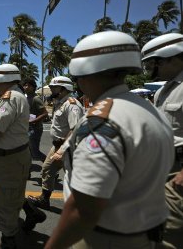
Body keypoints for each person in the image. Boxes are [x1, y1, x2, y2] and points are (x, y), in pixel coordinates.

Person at [45, 31, 174, 248]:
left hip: (105, 237)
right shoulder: (147, 109)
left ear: (83, 73)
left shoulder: (102, 122)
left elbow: (83, 208)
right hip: (143, 232)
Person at [0, 64, 46, 249]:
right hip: (13, 156)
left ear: (2, 80)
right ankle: (32, 213)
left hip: (6, 159)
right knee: (12, 194)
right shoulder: (13, 96)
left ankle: (8, 241)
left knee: (5, 201)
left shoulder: (11, 98)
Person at [142, 33, 183, 249]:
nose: (150, 69)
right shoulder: (163, 91)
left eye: (152, 63)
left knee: (170, 236)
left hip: (180, 173)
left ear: (169, 57)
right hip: (162, 170)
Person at [28, 76, 84, 210]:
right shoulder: (60, 102)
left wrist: (62, 149)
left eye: (54, 87)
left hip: (69, 147)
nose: (51, 89)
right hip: (58, 145)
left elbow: (75, 129)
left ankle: (82, 209)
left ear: (63, 89)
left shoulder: (72, 104)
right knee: (47, 169)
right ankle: (44, 199)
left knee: (73, 178)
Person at [23, 79, 48, 162]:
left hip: (35, 129)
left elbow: (45, 113)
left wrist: (33, 121)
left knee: (35, 152)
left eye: (28, 85)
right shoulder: (26, 98)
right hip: (28, 128)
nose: (26, 87)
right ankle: (27, 171)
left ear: (33, 87)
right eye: (25, 85)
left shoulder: (36, 99)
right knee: (28, 150)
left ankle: (50, 168)